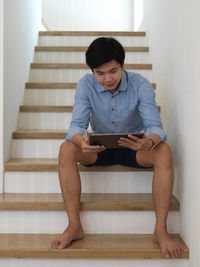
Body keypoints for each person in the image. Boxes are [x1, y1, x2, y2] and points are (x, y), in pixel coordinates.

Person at [51, 37, 183, 259]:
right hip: (99, 149)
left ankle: (160, 229)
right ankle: (74, 226)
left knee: (164, 150)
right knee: (66, 149)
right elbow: (76, 126)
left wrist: (149, 142)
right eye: (100, 73)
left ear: (123, 64)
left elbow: (155, 128)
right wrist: (80, 140)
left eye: (113, 71)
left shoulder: (140, 84)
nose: (107, 79)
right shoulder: (85, 84)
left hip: (135, 148)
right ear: (92, 71)